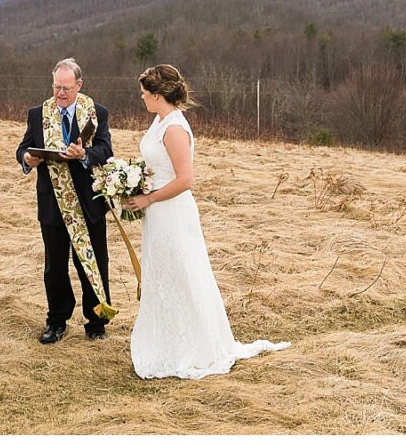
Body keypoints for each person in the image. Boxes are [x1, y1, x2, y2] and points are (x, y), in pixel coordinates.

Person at [124, 63, 289, 379]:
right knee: (163, 273)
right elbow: (158, 166)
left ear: (158, 95)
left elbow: (185, 179)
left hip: (172, 212)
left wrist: (148, 198)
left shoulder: (174, 129)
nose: (141, 98)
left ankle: (194, 346)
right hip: (157, 214)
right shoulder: (159, 122)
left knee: (183, 273)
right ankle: (167, 340)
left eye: (144, 93)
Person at [15, 57, 115, 343]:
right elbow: (23, 147)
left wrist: (84, 155)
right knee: (55, 266)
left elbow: (105, 149)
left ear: (79, 86)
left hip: (89, 202)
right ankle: (56, 321)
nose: (60, 93)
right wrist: (27, 158)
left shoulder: (96, 112)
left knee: (93, 262)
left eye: (66, 88)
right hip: (53, 204)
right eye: (56, 87)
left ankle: (96, 321)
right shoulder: (38, 114)